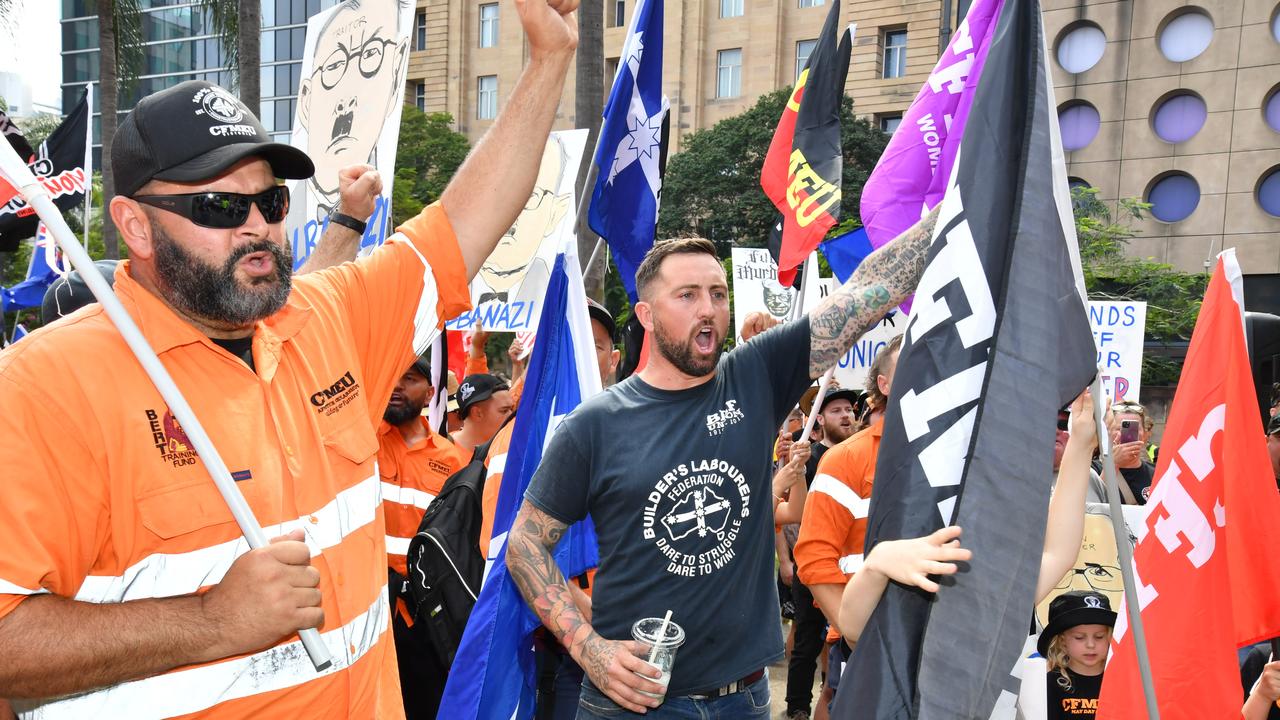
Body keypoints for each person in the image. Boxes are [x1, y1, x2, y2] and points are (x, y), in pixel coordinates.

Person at [0, 1, 580, 715]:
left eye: (270, 202)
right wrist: (209, 622)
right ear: (135, 227)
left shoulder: (325, 317)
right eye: (220, 207)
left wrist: (548, 60)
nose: (258, 228)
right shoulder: (44, 387)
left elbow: (464, 225)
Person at [507, 199, 940, 717]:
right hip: (634, 702)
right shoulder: (595, 424)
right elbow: (525, 543)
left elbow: (868, 291)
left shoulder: (755, 375)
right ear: (646, 315)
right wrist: (588, 649)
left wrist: (964, 194)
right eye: (686, 296)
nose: (708, 308)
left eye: (717, 293)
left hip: (745, 697)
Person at [477, 296, 619, 720]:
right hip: (558, 650)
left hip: (636, 641)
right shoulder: (516, 444)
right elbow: (504, 545)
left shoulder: (639, 430)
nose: (579, 354)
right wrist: (581, 606)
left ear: (612, 360)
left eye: (591, 344)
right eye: (568, 341)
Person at [792, 336, 902, 716]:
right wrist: (855, 630)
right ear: (883, 384)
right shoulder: (846, 459)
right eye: (910, 362)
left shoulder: (961, 456)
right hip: (864, 645)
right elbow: (813, 558)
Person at [378, 355, 468, 718]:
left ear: (430, 392)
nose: (398, 386)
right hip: (371, 607)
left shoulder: (454, 460)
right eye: (392, 376)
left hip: (426, 612)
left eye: (410, 378)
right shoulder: (360, 442)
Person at [781, 386, 861, 720]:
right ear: (820, 421)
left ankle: (836, 693)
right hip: (812, 565)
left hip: (854, 571)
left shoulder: (864, 455)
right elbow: (786, 513)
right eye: (836, 410)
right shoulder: (808, 457)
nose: (845, 415)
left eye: (849, 409)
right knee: (808, 637)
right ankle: (798, 705)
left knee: (842, 643)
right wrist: (786, 559)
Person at [1039, 590, 1115, 720]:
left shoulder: (1123, 681)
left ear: (1110, 638)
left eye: (1099, 636)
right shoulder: (1048, 685)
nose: (1090, 645)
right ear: (1062, 642)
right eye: (1079, 637)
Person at [450, 373, 515, 453]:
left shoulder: (509, 449)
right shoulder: (442, 453)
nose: (511, 415)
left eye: (512, 409)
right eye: (504, 411)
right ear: (477, 413)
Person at [1108, 400, 1156, 503]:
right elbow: (1095, 502)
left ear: (1144, 434)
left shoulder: (1157, 473)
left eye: (1134, 428)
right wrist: (1113, 464)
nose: (1127, 434)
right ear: (1109, 433)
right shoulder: (1094, 470)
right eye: (1119, 428)